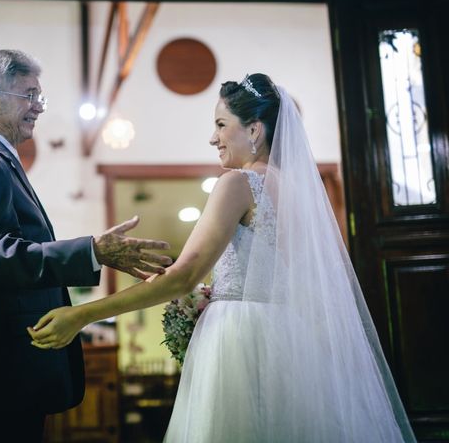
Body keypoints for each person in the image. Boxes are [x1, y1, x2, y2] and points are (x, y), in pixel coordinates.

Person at [28, 74, 417, 442]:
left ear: (254, 130)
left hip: (242, 343)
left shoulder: (238, 183)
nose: (212, 138)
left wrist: (82, 314)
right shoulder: (301, 193)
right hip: (294, 341)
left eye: (220, 124)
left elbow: (183, 276)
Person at [0, 49, 172, 443]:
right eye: (29, 95)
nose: (38, 108)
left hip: (10, 365)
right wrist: (93, 250)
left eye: (40, 97)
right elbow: (0, 257)